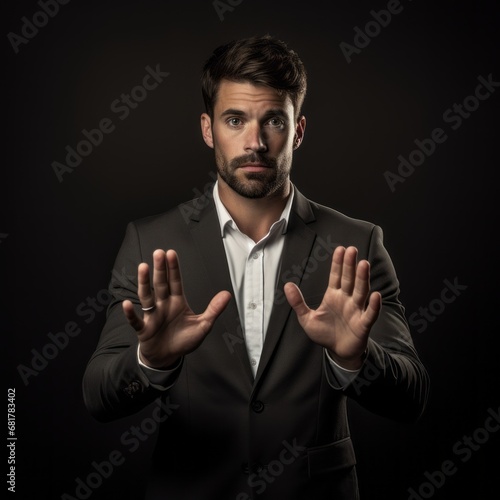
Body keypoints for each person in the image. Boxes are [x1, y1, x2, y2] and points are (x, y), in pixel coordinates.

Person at [82, 34, 429, 500]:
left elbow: (412, 399)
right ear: (208, 130)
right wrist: (150, 361)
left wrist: (355, 359)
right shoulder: (151, 241)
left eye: (273, 121)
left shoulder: (356, 242)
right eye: (235, 120)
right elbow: (98, 397)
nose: (256, 142)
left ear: (298, 130)